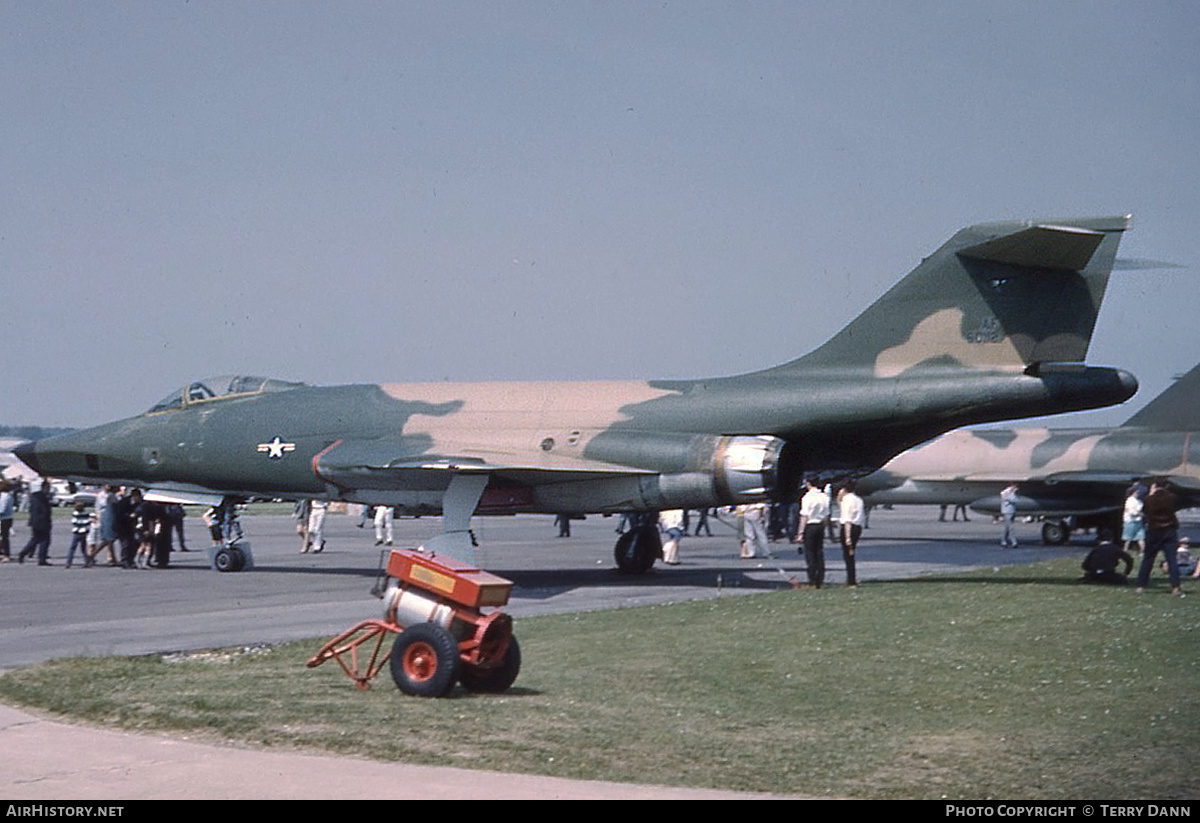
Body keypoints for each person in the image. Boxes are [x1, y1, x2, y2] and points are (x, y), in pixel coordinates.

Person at [1135, 479, 1184, 596]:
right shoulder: (1172, 498)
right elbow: (1176, 507)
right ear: (1166, 486)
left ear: (1154, 486)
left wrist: (1151, 494)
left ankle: (1141, 586)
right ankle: (1175, 587)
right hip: (1169, 530)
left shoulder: (1149, 499)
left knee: (1148, 559)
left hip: (1154, 530)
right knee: (1172, 560)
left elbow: (1144, 511)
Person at [797, 479, 830, 588]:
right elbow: (826, 515)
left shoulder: (807, 497)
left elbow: (804, 516)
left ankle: (812, 579)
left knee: (810, 553)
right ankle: (820, 578)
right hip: (820, 525)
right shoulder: (824, 497)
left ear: (808, 484)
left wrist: (800, 532)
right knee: (819, 552)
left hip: (810, 525)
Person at [17, 480, 53, 565]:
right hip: (42, 521)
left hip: (34, 521)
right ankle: (42, 559)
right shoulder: (43, 498)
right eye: (48, 487)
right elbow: (45, 510)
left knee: (35, 539)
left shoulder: (34, 496)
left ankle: (23, 552)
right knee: (45, 540)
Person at [839, 483, 865, 588]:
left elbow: (847, 519)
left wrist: (847, 536)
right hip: (858, 527)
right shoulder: (859, 500)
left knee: (848, 554)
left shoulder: (846, 500)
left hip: (849, 527)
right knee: (851, 553)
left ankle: (851, 579)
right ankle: (851, 578)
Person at [64, 500, 91, 568]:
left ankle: (69, 562)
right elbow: (88, 522)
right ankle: (87, 561)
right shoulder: (86, 513)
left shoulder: (75, 514)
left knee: (72, 548)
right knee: (83, 548)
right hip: (84, 532)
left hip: (77, 532)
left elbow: (74, 522)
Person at [1121, 484, 1145, 556]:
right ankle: (1125, 551)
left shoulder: (1138, 501)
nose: (1138, 493)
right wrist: (1139, 514)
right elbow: (1131, 512)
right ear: (1133, 492)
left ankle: (1142, 552)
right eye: (1137, 492)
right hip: (1130, 521)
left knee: (1140, 538)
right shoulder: (1129, 501)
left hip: (1137, 521)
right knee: (1128, 538)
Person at [999, 482, 1019, 548]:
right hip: (1007, 511)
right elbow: (1013, 500)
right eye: (1015, 486)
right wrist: (1012, 493)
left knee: (1007, 527)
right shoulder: (1006, 492)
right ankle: (1014, 542)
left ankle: (1003, 540)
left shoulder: (1011, 492)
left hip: (1012, 510)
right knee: (1011, 527)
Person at [0, 479, 13, 562]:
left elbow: (2, 509)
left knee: (4, 538)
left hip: (4, 519)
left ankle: (6, 555)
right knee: (3, 537)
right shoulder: (9, 495)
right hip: (7, 518)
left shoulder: (5, 497)